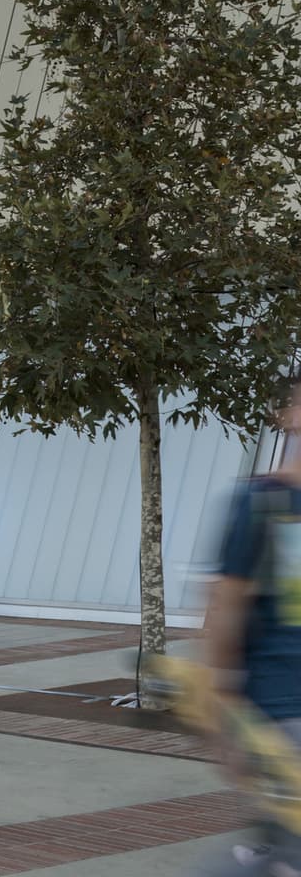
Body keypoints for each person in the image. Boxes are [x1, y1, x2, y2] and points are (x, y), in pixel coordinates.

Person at [199, 374, 301, 873]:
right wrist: (223, 711)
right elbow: (223, 606)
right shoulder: (262, 503)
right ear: (289, 416)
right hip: (282, 713)